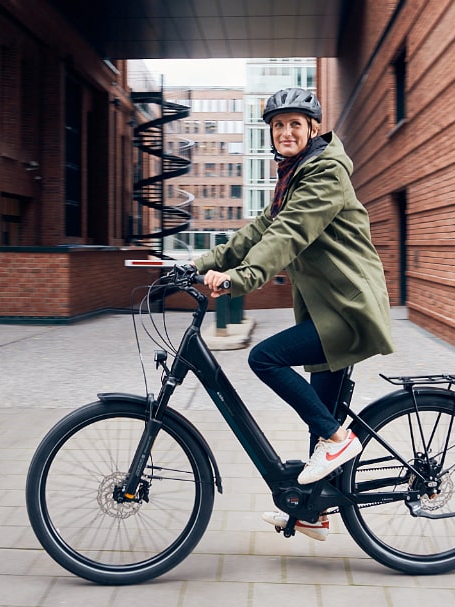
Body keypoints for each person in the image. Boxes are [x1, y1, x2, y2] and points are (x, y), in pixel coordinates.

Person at [191, 87, 395, 540]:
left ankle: (341, 440)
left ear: (312, 129)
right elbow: (257, 231)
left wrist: (237, 281)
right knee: (319, 415)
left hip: (347, 309)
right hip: (328, 310)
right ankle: (311, 511)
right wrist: (199, 264)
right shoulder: (295, 177)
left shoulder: (325, 175)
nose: (286, 131)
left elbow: (287, 235)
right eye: (278, 125)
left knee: (265, 359)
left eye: (294, 124)